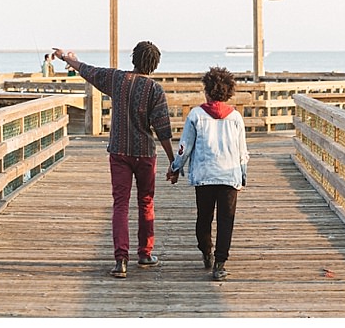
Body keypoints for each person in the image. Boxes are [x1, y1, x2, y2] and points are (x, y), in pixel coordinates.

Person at [52, 41, 175, 279]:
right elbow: (163, 130)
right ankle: (145, 253)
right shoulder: (154, 90)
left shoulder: (117, 80)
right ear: (155, 65)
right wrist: (173, 162)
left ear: (133, 59)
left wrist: (67, 58)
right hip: (145, 153)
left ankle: (121, 260)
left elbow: (87, 70)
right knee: (146, 202)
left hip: (119, 151)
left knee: (120, 204)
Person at [167, 66, 249, 281]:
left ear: (208, 91)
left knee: (204, 218)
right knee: (226, 220)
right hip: (229, 176)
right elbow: (243, 152)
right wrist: (242, 176)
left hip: (204, 176)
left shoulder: (196, 115)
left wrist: (175, 168)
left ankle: (206, 251)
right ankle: (220, 264)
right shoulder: (236, 118)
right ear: (228, 92)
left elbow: (185, 147)